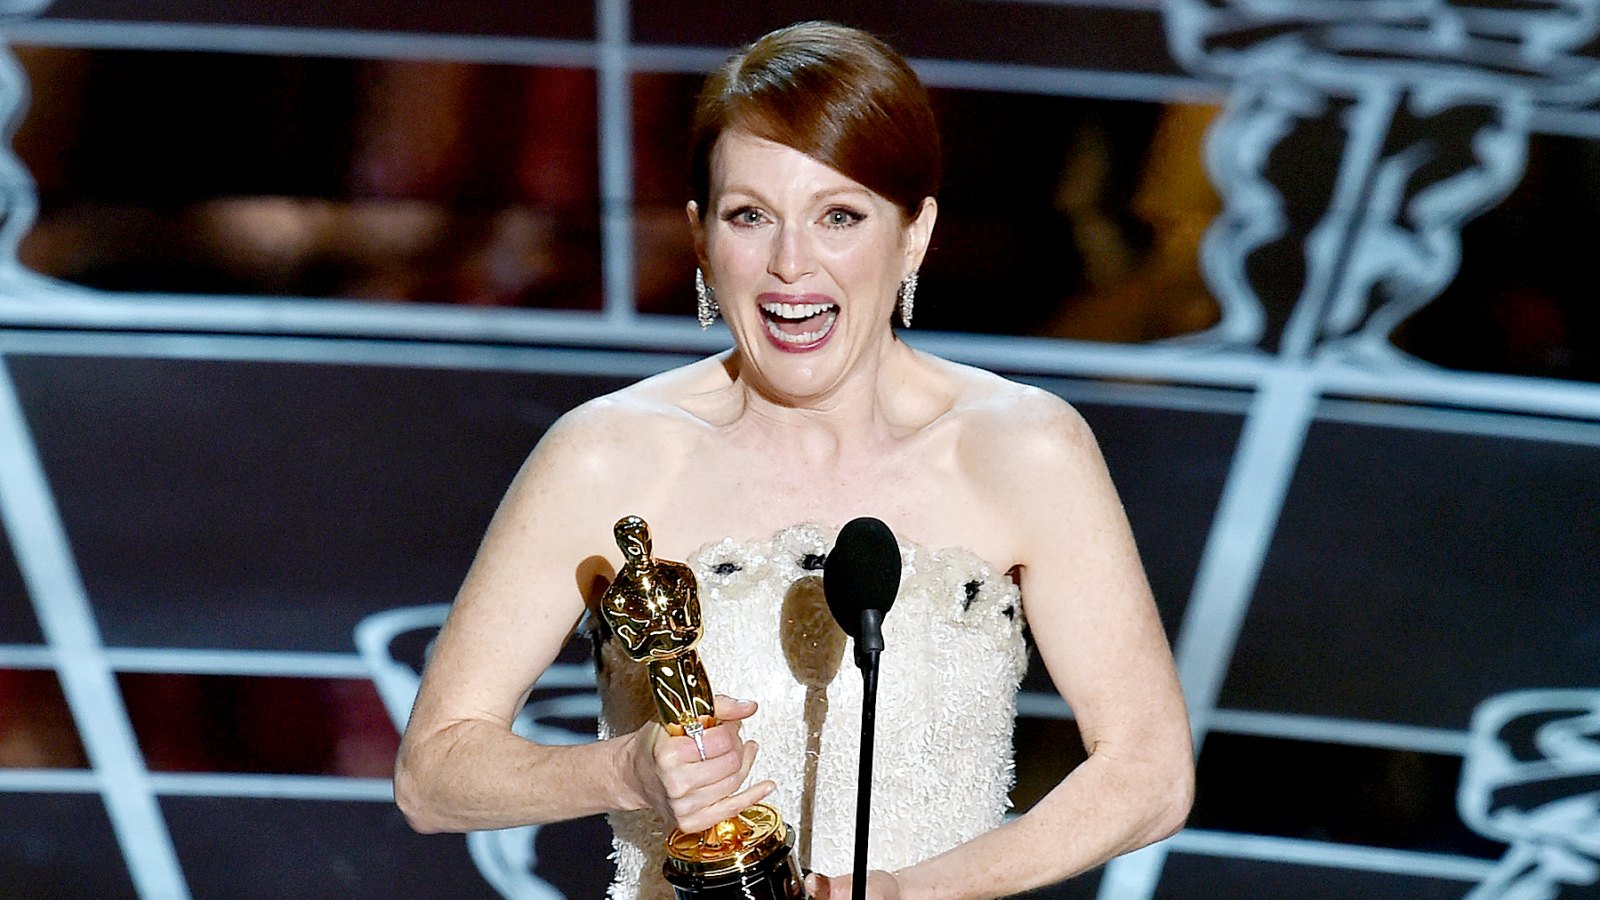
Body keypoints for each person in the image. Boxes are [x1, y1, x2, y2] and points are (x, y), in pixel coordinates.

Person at [395, 20, 1194, 900]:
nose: (790, 266)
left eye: (839, 217)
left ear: (915, 234)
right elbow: (432, 776)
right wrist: (626, 772)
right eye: (751, 217)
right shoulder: (606, 457)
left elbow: (1149, 774)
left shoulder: (1024, 447)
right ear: (701, 238)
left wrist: (903, 893)